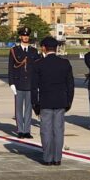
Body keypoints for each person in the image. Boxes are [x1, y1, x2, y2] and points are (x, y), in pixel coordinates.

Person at [31, 36, 74, 166]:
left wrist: (35, 104)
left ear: (44, 48)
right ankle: (57, 158)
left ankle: (48, 158)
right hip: (61, 101)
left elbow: (34, 87)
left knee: (46, 130)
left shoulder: (38, 64)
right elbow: (70, 85)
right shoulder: (65, 63)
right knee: (58, 130)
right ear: (56, 48)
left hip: (45, 102)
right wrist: (68, 102)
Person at [8, 27, 39, 139]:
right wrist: (11, 83)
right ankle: (20, 130)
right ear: (20, 37)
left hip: (30, 84)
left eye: (27, 35)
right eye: (23, 35)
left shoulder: (34, 51)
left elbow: (37, 69)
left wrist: (38, 84)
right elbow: (11, 68)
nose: (25, 37)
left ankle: (27, 130)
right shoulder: (14, 51)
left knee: (28, 109)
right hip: (18, 84)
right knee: (19, 109)